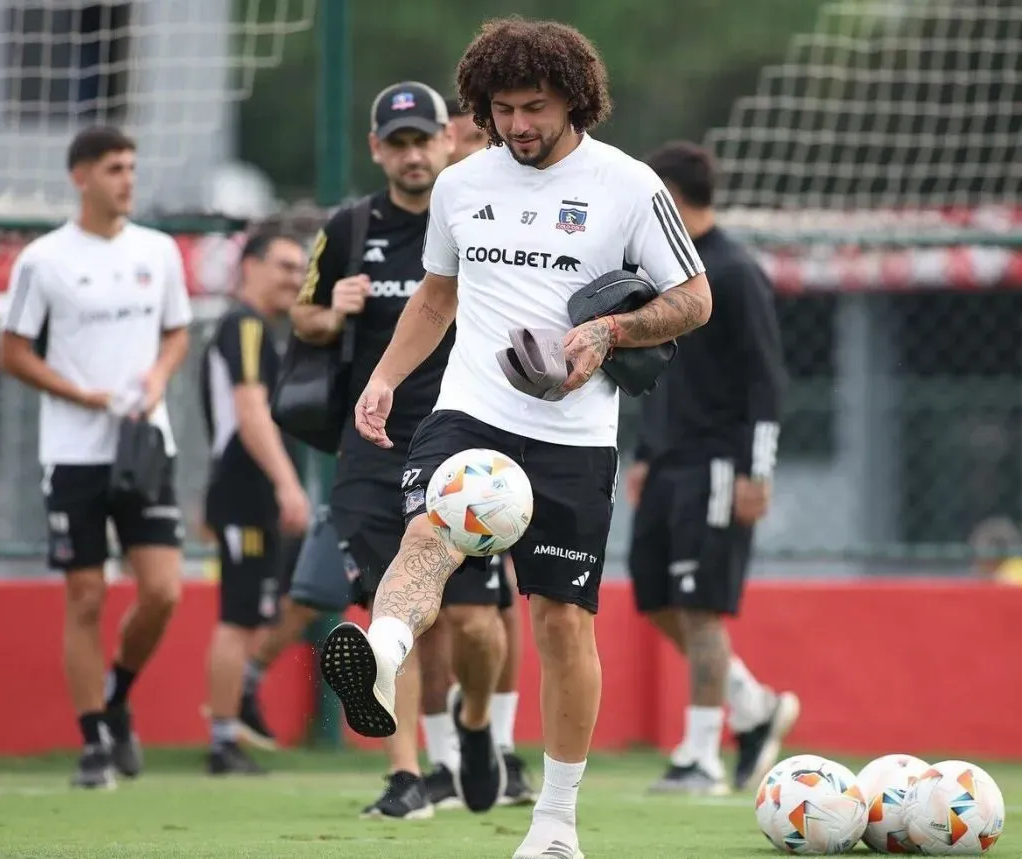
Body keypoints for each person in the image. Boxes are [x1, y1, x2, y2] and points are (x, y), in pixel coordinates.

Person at [319, 18, 712, 859]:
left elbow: (693, 299)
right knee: (430, 529)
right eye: (502, 109)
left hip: (575, 435)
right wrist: (384, 378)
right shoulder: (463, 187)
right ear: (480, 108)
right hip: (471, 413)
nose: (519, 125)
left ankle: (556, 822)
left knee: (563, 621)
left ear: (577, 99)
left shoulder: (629, 185)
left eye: (535, 107)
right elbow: (435, 297)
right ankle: (384, 653)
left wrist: (607, 333)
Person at [240, 80, 512, 820]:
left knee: (476, 623)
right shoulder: (351, 225)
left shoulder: (481, 221)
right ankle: (407, 777)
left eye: (424, 139)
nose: (413, 154)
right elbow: (300, 315)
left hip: (464, 441)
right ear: (376, 150)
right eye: (397, 143)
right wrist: (334, 312)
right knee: (389, 611)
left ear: (448, 141)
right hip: (374, 444)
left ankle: (478, 728)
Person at [0, 126, 192, 789]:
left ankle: (116, 697)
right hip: (74, 452)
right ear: (81, 176)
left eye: (132, 167)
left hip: (144, 441)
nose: (127, 179)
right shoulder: (44, 259)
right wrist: (82, 394)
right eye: (114, 168)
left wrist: (159, 378)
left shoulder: (159, 250)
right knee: (85, 594)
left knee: (164, 590)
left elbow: (176, 330)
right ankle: (91, 743)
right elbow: (14, 351)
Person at [626, 140, 800, 795]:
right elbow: (662, 376)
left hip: (721, 465)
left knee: (701, 611)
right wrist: (644, 453)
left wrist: (758, 470)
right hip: (668, 462)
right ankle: (754, 705)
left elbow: (767, 378)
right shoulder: (671, 277)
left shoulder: (734, 272)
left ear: (670, 195)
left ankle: (699, 757)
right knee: (659, 600)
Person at [414, 96, 535, 811]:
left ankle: (498, 740)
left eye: (465, 137)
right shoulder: (417, 213)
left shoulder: (519, 206)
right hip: (411, 428)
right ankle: (437, 759)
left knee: (491, 610)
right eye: (449, 137)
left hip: (491, 429)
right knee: (420, 599)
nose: (456, 148)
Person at [198, 227, 311, 775]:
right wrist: (288, 484)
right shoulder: (242, 325)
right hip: (244, 492)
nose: (294, 278)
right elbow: (249, 412)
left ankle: (244, 690)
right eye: (284, 266)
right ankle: (223, 740)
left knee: (298, 592)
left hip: (255, 493)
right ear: (250, 267)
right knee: (238, 618)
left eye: (299, 268)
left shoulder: (265, 331)